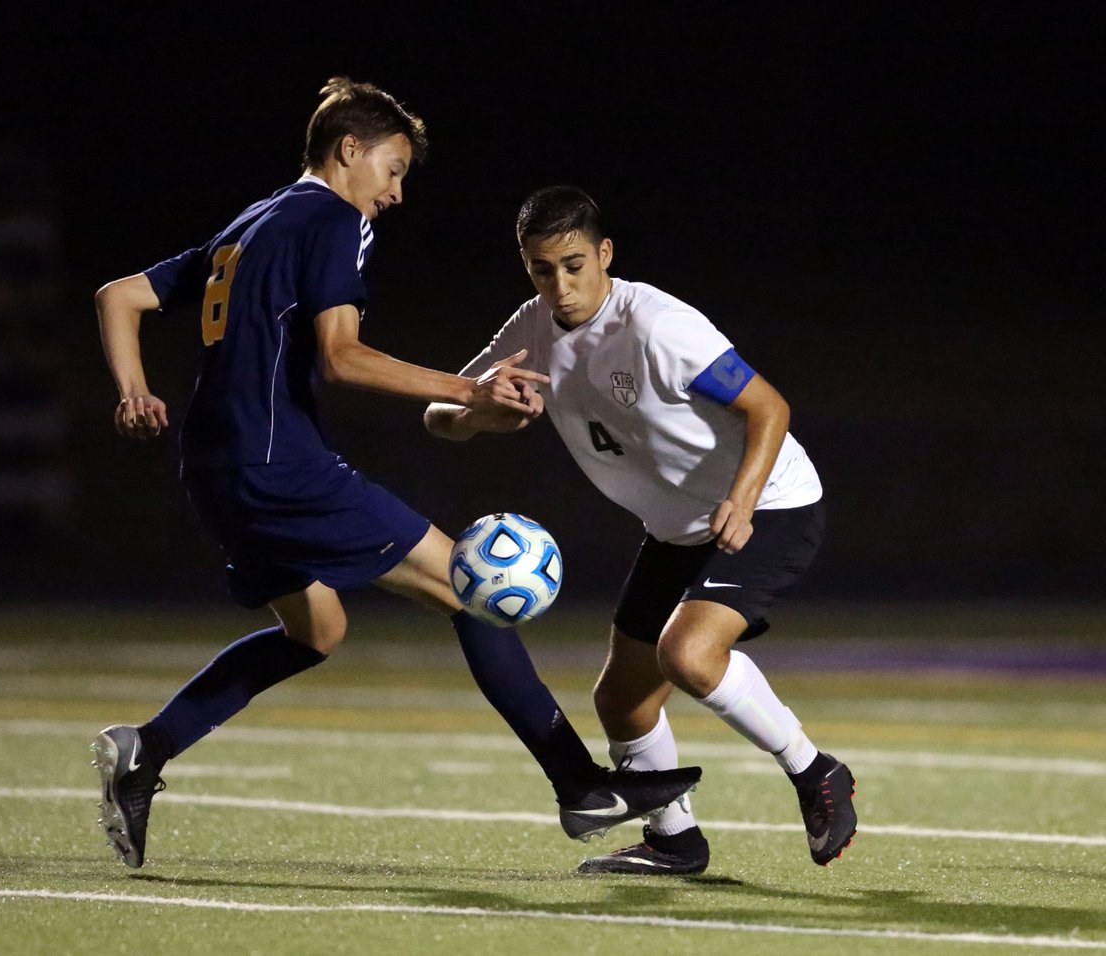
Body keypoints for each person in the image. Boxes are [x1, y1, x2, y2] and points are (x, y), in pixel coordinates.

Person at [91, 80, 700, 869]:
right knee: (472, 587)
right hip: (281, 464)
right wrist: (469, 388)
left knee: (319, 629)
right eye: (393, 167)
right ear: (349, 150)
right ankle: (580, 785)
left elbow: (118, 296)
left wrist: (134, 391)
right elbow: (343, 357)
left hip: (214, 467)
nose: (396, 191)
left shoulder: (253, 221)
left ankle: (146, 750)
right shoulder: (331, 217)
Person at [423, 185, 857, 875]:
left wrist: (742, 502)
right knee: (620, 700)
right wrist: (480, 413)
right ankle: (675, 841)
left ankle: (817, 774)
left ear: (605, 254)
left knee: (687, 658)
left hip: (771, 503)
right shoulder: (529, 330)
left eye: (573, 265)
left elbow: (769, 407)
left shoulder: (656, 325)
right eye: (542, 270)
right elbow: (440, 413)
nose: (560, 286)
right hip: (678, 528)